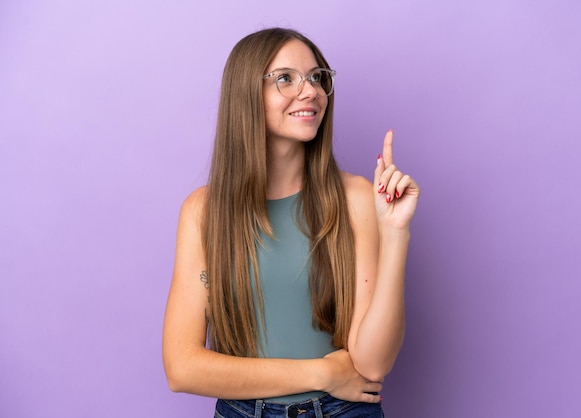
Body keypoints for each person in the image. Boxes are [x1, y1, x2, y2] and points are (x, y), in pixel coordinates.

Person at [162, 27, 420, 417]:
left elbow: (372, 364)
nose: (311, 91)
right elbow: (182, 369)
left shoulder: (355, 198)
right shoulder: (203, 212)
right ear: (246, 95)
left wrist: (396, 233)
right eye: (285, 78)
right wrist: (321, 373)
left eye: (317, 77)